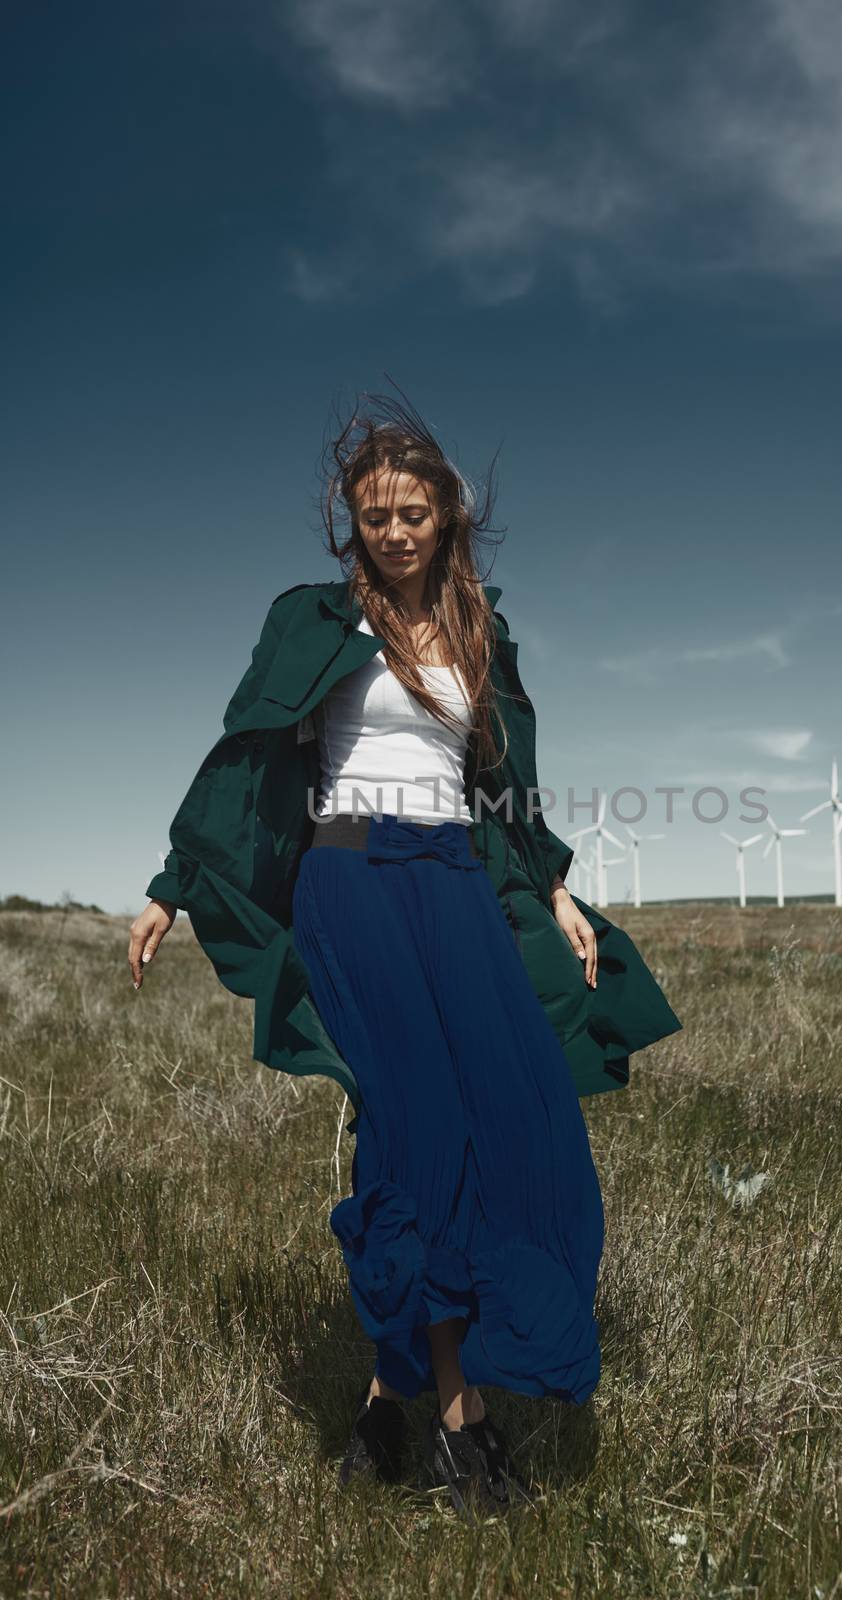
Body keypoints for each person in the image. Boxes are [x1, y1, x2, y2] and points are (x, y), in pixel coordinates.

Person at [127, 389, 681, 1519]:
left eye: (412, 510)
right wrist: (172, 886)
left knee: (527, 1120)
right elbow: (240, 755)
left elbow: (505, 789)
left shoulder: (482, 635)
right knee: (423, 1132)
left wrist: (559, 891)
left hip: (455, 884)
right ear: (352, 520)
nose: (394, 530)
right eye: (374, 512)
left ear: (446, 517)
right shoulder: (315, 622)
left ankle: (384, 1405)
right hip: (350, 884)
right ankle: (462, 1430)